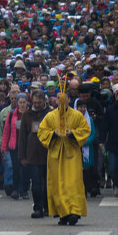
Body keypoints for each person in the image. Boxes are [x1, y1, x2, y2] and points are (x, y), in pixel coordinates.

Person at [37, 83, 92, 225]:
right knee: (58, 184)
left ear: (68, 100)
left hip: (72, 153)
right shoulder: (50, 116)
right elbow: (42, 132)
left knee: (72, 183)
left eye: (63, 99)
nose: (60, 102)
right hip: (55, 154)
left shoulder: (77, 116)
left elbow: (85, 130)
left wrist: (72, 133)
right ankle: (62, 213)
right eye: (58, 99)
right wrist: (53, 134)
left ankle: (74, 211)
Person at [18, 89, 50, 219]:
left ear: (44, 101)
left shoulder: (50, 113)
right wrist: (22, 156)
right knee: (36, 184)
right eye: (35, 102)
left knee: (48, 183)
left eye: (39, 102)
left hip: (48, 154)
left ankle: (48, 207)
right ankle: (37, 207)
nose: (37, 105)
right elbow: (22, 137)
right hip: (32, 155)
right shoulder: (27, 114)